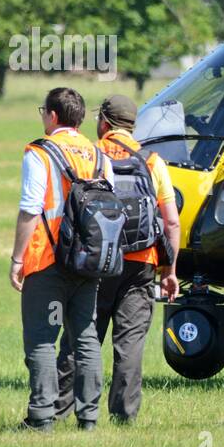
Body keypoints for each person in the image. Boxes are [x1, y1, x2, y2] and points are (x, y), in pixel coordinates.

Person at [54, 95, 182, 425]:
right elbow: (171, 221)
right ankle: (124, 416)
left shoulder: (91, 157)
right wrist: (170, 270)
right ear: (132, 125)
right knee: (130, 342)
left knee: (79, 337)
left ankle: (58, 410)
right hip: (142, 263)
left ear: (104, 123)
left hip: (95, 261)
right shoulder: (152, 161)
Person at [8, 87, 113, 432]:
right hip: (88, 261)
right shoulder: (98, 155)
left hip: (47, 260)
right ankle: (89, 419)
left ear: (52, 116)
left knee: (41, 338)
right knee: (85, 338)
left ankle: (41, 417)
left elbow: (29, 209)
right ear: (80, 119)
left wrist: (17, 258)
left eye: (43, 112)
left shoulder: (39, 152)